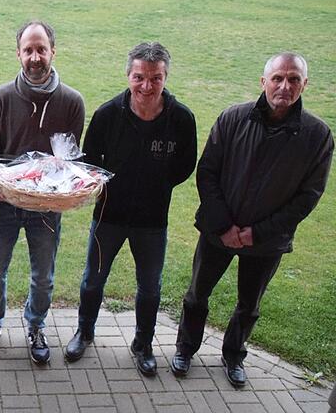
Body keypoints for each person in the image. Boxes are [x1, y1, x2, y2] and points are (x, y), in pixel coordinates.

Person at [171, 52, 333, 387]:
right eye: (277, 78)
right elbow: (208, 173)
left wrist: (255, 234)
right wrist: (225, 227)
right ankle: (186, 348)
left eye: (293, 79)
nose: (284, 86)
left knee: (249, 305)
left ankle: (233, 356)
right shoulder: (233, 118)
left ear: (305, 84)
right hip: (219, 232)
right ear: (263, 82)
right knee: (197, 294)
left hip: (267, 242)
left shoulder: (317, 136)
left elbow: (308, 197)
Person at [64, 43, 197, 376]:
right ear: (128, 75)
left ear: (166, 77)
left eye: (156, 78)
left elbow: (185, 165)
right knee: (93, 280)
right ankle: (85, 331)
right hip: (108, 217)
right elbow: (90, 162)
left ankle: (143, 343)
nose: (147, 86)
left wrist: (157, 184)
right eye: (139, 77)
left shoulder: (181, 119)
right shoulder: (108, 115)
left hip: (153, 221)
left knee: (150, 286)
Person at [0, 20, 85, 364]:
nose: (35, 57)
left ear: (53, 51)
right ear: (18, 53)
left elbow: (72, 160)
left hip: (46, 208)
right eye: (28, 50)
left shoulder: (71, 102)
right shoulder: (1, 98)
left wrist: (64, 186)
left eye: (41, 50)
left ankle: (36, 326)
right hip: (3, 204)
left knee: (43, 275)